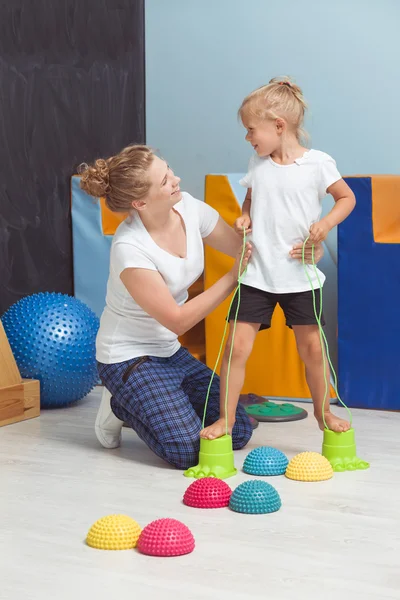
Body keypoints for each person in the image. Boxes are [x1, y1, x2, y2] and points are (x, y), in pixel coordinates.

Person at [79, 143, 324, 470]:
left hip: (170, 353)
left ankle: (162, 402)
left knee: (235, 430)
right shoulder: (130, 248)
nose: (177, 179)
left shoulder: (189, 208)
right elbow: (178, 321)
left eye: (169, 170)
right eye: (166, 181)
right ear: (140, 202)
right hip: (127, 358)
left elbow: (246, 249)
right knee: (186, 450)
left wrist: (306, 252)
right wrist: (232, 277)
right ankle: (121, 405)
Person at [200, 77, 356, 442]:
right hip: (257, 274)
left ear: (278, 126)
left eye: (251, 130)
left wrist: (325, 225)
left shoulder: (318, 164)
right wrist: (244, 216)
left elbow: (346, 199)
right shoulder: (258, 163)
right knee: (236, 348)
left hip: (299, 275)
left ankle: (323, 414)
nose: (248, 138)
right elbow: (252, 200)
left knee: (313, 349)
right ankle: (224, 419)